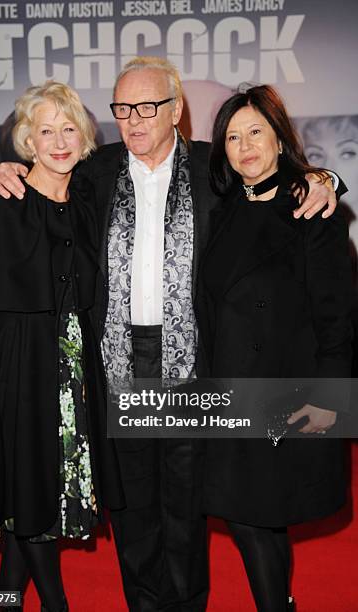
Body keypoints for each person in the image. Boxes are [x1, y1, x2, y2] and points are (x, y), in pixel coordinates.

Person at [0, 59, 340, 611]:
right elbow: (43, 184)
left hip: (192, 363)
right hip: (119, 361)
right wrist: (7, 171)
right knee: (133, 509)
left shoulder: (213, 171)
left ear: (176, 111)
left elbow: (273, 181)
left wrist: (325, 179)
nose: (133, 120)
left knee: (185, 505)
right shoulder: (94, 172)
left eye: (147, 107)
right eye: (122, 109)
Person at [0, 81, 124, 612]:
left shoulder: (91, 197)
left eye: (68, 128)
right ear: (26, 139)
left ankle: (4, 596)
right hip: (15, 369)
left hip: (73, 368)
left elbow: (157, 150)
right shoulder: (5, 201)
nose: (58, 140)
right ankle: (55, 604)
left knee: (41, 489)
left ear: (85, 136)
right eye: (44, 129)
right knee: (30, 488)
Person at [195, 85, 353, 611]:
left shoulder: (313, 209)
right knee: (251, 514)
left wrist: (327, 404)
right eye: (233, 137)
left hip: (290, 394)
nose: (245, 146)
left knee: (257, 513)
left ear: (280, 139)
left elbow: (338, 321)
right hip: (230, 393)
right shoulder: (223, 210)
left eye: (256, 132)